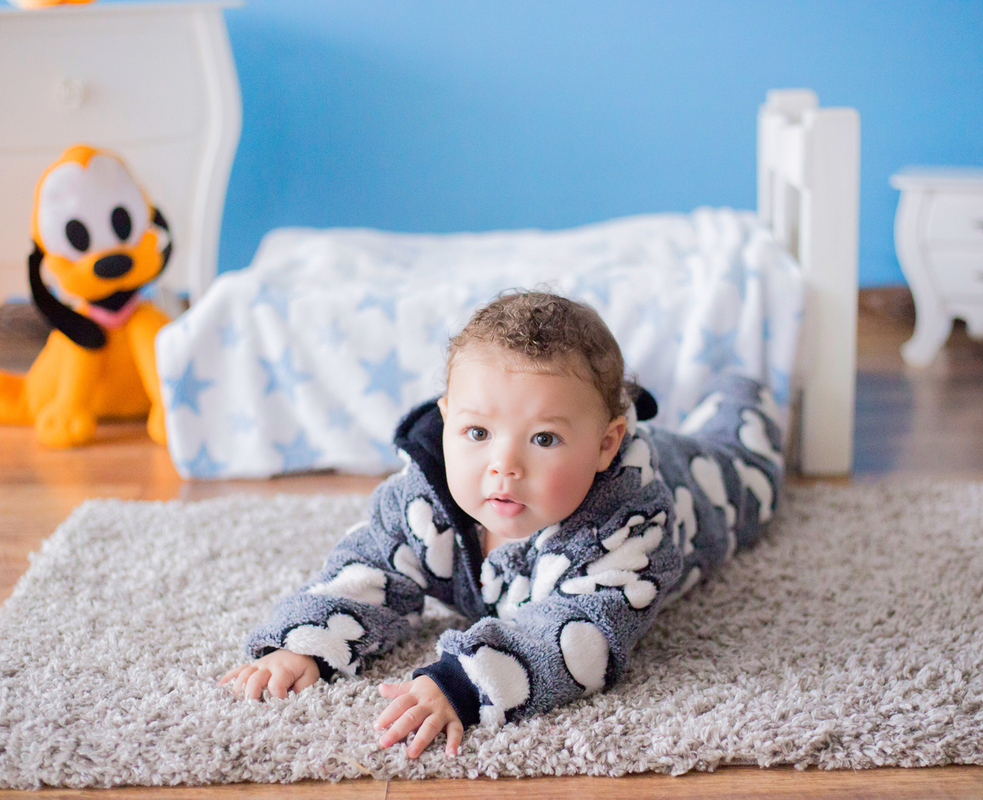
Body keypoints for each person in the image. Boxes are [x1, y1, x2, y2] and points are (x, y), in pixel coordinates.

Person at [220, 290, 784, 759]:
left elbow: (583, 633)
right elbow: (366, 568)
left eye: (543, 439)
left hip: (699, 489)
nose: (503, 466)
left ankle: (746, 395)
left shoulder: (633, 524)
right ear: (446, 420)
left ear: (605, 444)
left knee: (749, 462)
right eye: (477, 433)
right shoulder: (425, 499)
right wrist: (303, 646)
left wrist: (466, 681)